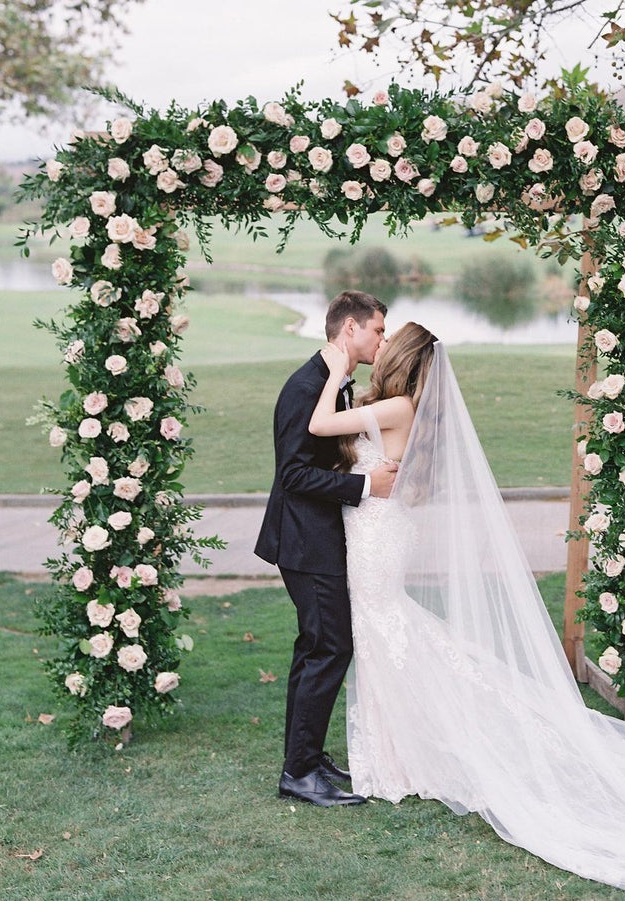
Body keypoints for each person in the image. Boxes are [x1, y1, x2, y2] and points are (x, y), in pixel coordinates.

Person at [308, 322, 625, 901]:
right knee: (387, 633)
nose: (377, 347)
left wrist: (334, 366)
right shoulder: (397, 407)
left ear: (400, 358)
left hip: (377, 539)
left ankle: (401, 760)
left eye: (386, 340)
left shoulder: (399, 405)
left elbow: (319, 426)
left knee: (385, 630)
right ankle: (398, 756)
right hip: (378, 532)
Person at [254, 290, 397, 808]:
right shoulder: (304, 387)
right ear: (351, 328)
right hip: (306, 542)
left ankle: (307, 758)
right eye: (378, 330)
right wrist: (364, 489)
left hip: (322, 538)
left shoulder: (331, 384)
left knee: (316, 647)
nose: (383, 338)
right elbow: (292, 475)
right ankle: (298, 774)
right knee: (330, 647)